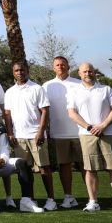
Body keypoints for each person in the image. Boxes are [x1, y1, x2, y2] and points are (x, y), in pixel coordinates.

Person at [66, 62, 112, 213]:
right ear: (79, 74)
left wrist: (103, 126)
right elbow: (72, 113)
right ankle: (93, 202)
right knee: (90, 169)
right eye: (85, 72)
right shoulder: (74, 91)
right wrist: (89, 127)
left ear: (94, 73)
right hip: (87, 135)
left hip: (108, 133)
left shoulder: (106, 89)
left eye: (90, 71)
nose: (88, 74)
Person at [3, 61, 60, 210]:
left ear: (27, 71)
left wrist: (41, 131)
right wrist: (10, 133)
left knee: (44, 167)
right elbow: (7, 115)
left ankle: (51, 199)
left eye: (22, 70)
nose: (19, 72)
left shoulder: (37, 88)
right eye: (16, 70)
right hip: (19, 137)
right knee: (25, 169)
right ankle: (29, 199)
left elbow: (45, 111)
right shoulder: (9, 92)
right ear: (13, 73)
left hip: (36, 135)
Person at [43, 55, 84, 208]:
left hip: (80, 132)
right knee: (64, 165)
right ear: (53, 68)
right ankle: (68, 197)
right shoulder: (46, 86)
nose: (60, 67)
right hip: (58, 133)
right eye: (57, 65)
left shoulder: (79, 84)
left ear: (68, 66)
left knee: (84, 166)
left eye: (63, 64)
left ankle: (92, 198)